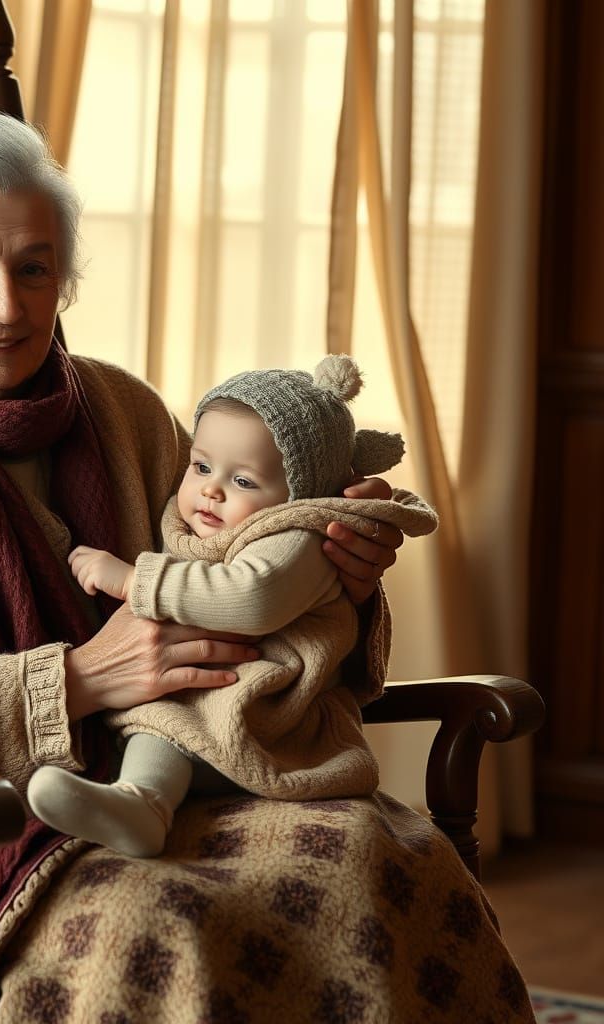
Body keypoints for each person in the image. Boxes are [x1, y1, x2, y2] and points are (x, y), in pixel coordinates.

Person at [0, 108, 533, 1023]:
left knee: (388, 855)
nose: (8, 302)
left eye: (34, 267)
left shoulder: (125, 409)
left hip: (190, 769)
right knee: (155, 929)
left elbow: (232, 581)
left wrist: (334, 573)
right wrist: (76, 680)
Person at [27, 355, 439, 857]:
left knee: (170, 721)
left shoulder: (298, 536)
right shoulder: (201, 522)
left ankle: (143, 801)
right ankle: (140, 804)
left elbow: (251, 598)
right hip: (210, 701)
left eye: (243, 481)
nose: (211, 489)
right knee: (164, 722)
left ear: (300, 494)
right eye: (200, 466)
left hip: (272, 712)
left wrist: (132, 579)